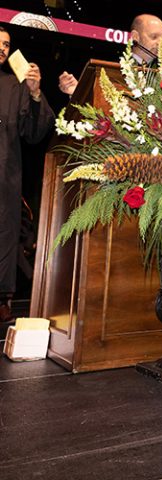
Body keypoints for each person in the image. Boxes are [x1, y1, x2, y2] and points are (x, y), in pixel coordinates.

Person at [0, 25, 55, 322]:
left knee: (3, 237)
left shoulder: (15, 85)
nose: (3, 49)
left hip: (3, 176)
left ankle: (1, 299)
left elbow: (33, 133)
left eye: (6, 45)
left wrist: (35, 95)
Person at [58, 13, 162, 95]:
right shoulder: (110, 69)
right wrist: (77, 92)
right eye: (154, 37)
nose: (159, 44)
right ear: (135, 37)